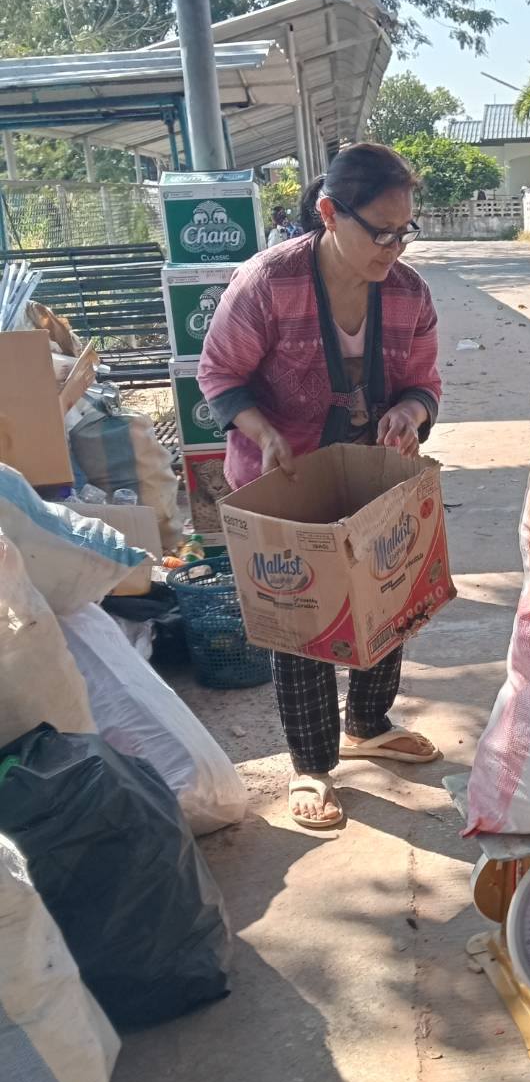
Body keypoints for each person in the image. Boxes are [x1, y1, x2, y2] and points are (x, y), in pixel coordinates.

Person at [199, 143, 443, 832]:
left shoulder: (408, 293)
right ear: (331, 214)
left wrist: (410, 413)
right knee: (301, 618)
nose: (394, 248)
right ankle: (311, 764)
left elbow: (424, 382)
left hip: (371, 470)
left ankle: (369, 723)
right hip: (284, 477)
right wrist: (262, 431)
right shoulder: (269, 282)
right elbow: (219, 373)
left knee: (387, 594)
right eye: (381, 232)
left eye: (405, 232)